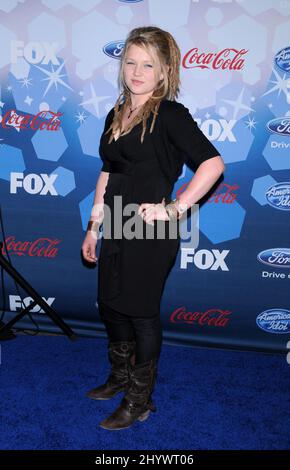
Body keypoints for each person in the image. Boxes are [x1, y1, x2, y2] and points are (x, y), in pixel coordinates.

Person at [81, 26, 225, 431]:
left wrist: (174, 209)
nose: (137, 71)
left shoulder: (172, 115)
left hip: (150, 231)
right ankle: (120, 377)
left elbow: (214, 165)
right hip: (115, 224)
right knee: (111, 305)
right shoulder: (116, 113)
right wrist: (93, 227)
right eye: (130, 61)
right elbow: (108, 173)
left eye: (148, 64)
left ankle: (139, 400)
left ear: (164, 72)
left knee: (142, 315)